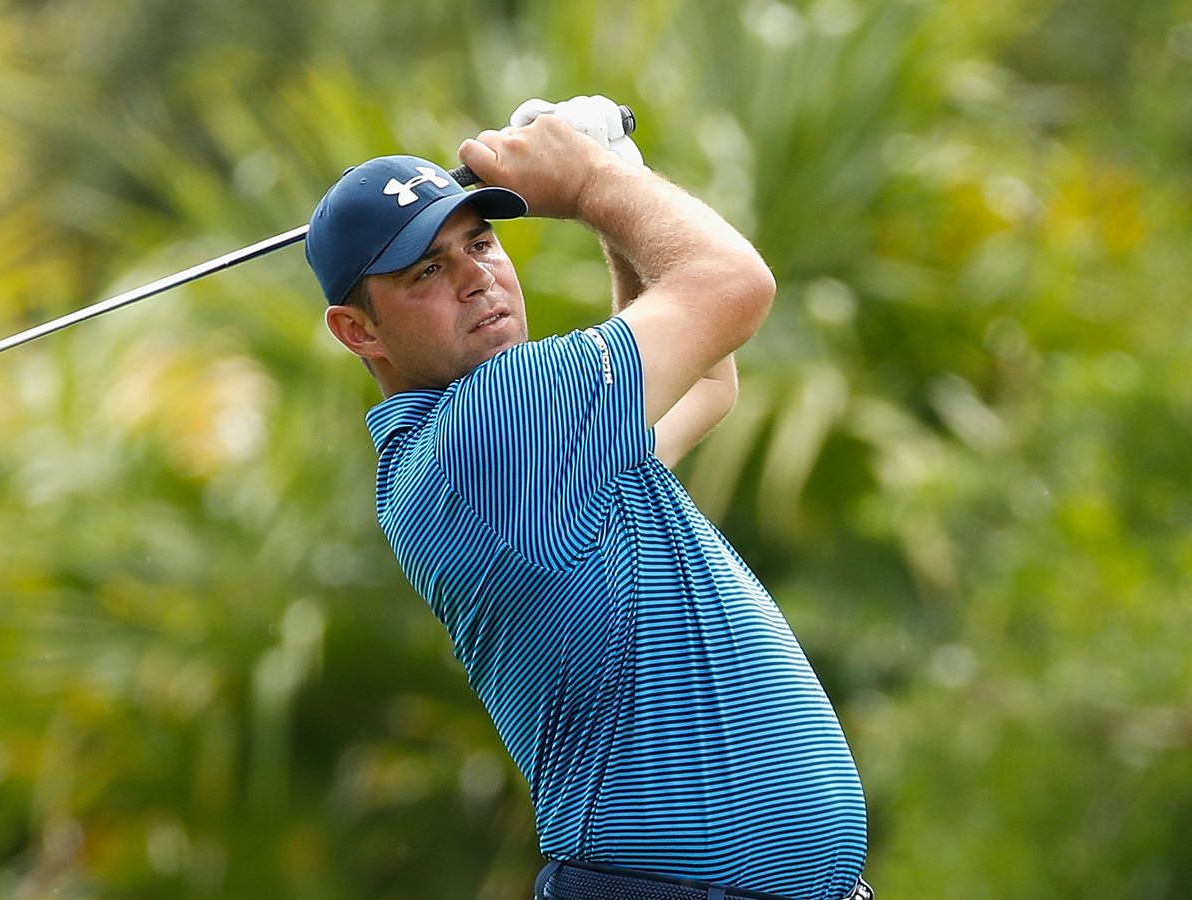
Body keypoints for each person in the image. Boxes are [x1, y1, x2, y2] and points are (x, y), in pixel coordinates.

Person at [305, 96, 871, 900]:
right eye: (426, 271)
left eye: (481, 242)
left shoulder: (511, 448)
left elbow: (707, 381)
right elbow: (733, 284)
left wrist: (616, 173)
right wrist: (588, 183)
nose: (477, 278)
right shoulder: (494, 425)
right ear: (358, 332)